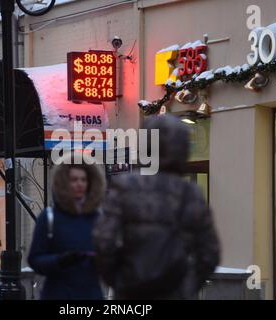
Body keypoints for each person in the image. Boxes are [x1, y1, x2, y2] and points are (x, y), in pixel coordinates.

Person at [93, 114, 220, 300]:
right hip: (174, 291)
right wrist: (187, 286)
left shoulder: (124, 186)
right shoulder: (189, 193)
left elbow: (103, 242)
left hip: (131, 292)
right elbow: (209, 253)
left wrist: (119, 280)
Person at [27, 158, 106, 300]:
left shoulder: (99, 218)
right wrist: (60, 260)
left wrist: (103, 259)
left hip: (91, 294)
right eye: (74, 179)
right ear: (64, 183)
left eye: (83, 179)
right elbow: (34, 259)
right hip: (58, 293)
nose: (80, 184)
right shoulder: (49, 217)